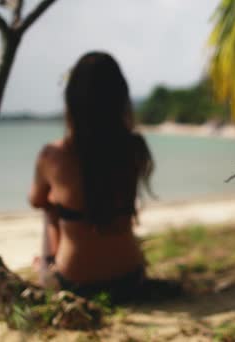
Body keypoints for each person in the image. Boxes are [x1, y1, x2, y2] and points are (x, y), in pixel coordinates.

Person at [29, 51, 178, 304]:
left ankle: (47, 266)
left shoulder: (52, 155)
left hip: (77, 285)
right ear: (120, 99)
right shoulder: (134, 149)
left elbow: (36, 200)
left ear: (72, 102)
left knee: (50, 208)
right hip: (130, 278)